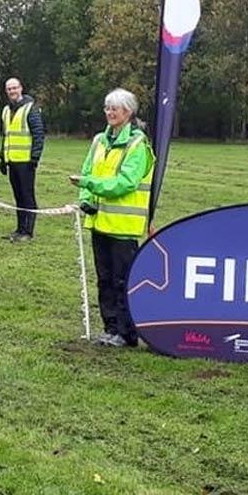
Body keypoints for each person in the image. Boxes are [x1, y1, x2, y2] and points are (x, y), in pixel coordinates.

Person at [70, 88, 154, 348]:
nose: (109, 113)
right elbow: (87, 171)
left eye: (114, 109)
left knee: (122, 280)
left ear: (128, 112)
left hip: (124, 227)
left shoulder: (138, 145)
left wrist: (89, 184)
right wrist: (85, 197)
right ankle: (110, 328)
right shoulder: (99, 141)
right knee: (104, 279)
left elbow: (125, 183)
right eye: (107, 108)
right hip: (100, 222)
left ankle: (127, 332)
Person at [0, 76, 45, 241]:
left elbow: (38, 134)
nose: (12, 91)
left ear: (21, 88)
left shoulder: (30, 108)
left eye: (14, 88)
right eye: (9, 89)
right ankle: (19, 229)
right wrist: (2, 159)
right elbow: (6, 136)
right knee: (18, 196)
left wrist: (34, 158)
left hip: (26, 162)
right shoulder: (6, 110)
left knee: (27, 196)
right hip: (12, 161)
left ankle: (28, 231)